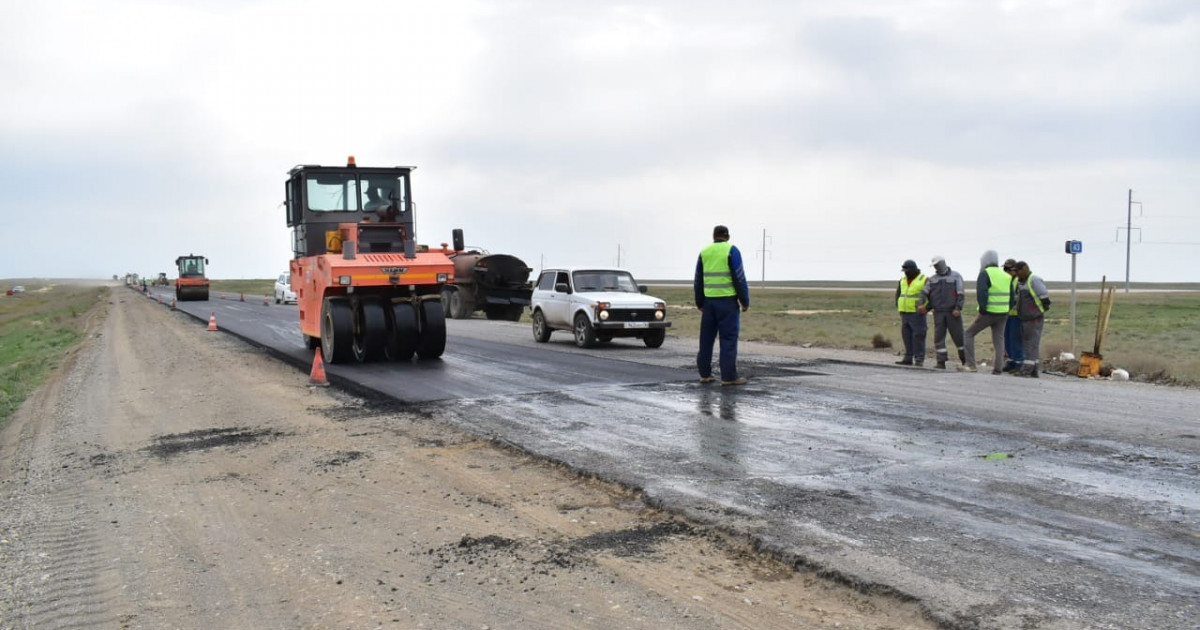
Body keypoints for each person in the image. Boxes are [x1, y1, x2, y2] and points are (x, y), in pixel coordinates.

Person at [694, 225, 750, 386]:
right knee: (728, 340)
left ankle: (705, 374)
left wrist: (700, 302)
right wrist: (744, 301)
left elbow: (698, 280)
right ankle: (728, 377)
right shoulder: (731, 250)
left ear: (713, 235)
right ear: (728, 236)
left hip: (709, 303)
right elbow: (739, 278)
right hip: (728, 303)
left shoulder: (704, 252)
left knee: (706, 340)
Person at [959, 250, 1013, 373]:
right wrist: (1007, 309)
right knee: (999, 340)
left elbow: (982, 293)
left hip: (988, 312)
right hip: (1003, 313)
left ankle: (971, 365)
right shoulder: (1006, 275)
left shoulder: (985, 274)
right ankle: (998, 368)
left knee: (968, 334)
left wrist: (983, 310)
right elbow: (1012, 296)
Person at [918, 255, 966, 369]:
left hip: (952, 313)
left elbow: (960, 294)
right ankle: (941, 362)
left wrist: (958, 308)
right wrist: (921, 304)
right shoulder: (933, 279)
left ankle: (965, 361)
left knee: (959, 338)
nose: (936, 267)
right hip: (938, 313)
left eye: (937, 264)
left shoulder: (956, 276)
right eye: (934, 265)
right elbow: (925, 293)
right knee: (938, 338)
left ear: (943, 263)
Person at [1012, 261, 1051, 377]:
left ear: (1024, 269)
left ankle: (1027, 369)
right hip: (1026, 317)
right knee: (1031, 343)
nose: (1016, 274)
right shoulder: (1022, 282)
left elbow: (1044, 295)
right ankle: (1034, 369)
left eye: (1017, 271)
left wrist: (1040, 310)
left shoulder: (1033, 280)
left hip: (1033, 317)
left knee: (1030, 343)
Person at [894, 260, 928, 366]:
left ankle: (919, 358)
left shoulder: (924, 279)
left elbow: (931, 295)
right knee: (906, 336)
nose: (905, 272)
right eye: (904, 270)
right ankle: (908, 358)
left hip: (917, 312)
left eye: (907, 270)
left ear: (913, 269)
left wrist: (926, 308)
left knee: (918, 335)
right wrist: (899, 307)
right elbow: (898, 294)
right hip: (905, 312)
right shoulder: (902, 280)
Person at [1001, 259, 1024, 372]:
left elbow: (1019, 298)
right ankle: (1011, 360)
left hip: (1017, 315)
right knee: (1008, 339)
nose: (1005, 271)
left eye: (1007, 269)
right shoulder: (1008, 280)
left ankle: (1019, 362)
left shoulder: (1019, 281)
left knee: (1016, 339)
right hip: (1007, 314)